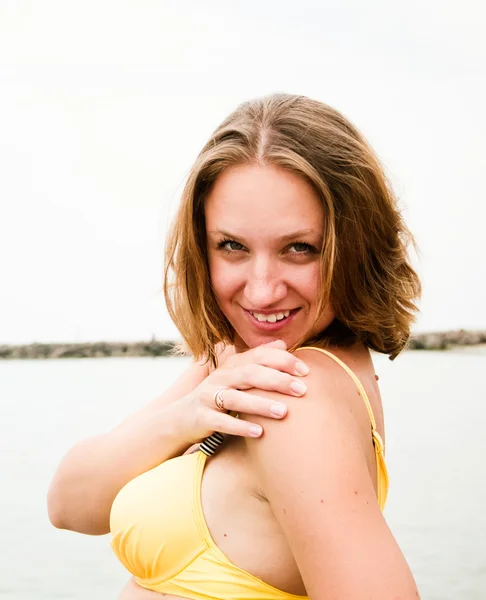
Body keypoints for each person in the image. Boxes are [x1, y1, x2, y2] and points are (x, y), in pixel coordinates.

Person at [48, 93, 422, 599]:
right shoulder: (234, 370)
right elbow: (69, 504)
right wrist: (188, 415)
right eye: (233, 247)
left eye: (299, 248)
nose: (262, 289)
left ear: (354, 246)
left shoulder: (288, 395)